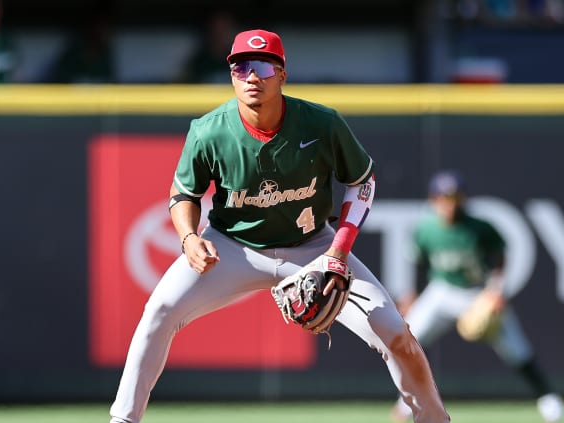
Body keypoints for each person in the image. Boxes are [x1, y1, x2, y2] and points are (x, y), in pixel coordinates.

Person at [108, 29, 451, 423]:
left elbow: (363, 182)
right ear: (232, 75)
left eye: (264, 66)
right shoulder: (208, 130)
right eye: (241, 67)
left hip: (313, 247)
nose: (252, 76)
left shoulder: (321, 124)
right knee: (160, 310)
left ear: (282, 76)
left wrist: (338, 253)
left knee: (394, 332)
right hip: (232, 245)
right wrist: (188, 238)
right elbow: (183, 193)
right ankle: (124, 420)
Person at [390, 169, 564, 423]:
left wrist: (495, 291)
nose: (449, 203)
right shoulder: (426, 230)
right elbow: (418, 264)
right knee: (408, 340)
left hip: (476, 294)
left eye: (454, 197)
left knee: (517, 349)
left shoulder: (479, 228)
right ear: (433, 200)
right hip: (442, 291)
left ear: (463, 199)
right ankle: (408, 401)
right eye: (443, 197)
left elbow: (501, 257)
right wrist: (412, 294)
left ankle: (548, 398)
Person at [177, 9, 238, 83]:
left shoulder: (237, 59)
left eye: (224, 28)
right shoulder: (198, 61)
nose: (219, 33)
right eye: (216, 28)